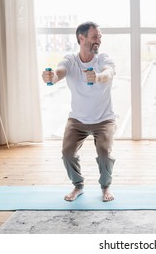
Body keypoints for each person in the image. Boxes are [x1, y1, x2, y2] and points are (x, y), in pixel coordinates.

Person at [42, 21, 116, 201]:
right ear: (81, 38)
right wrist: (52, 77)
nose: (98, 40)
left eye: (99, 37)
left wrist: (98, 77)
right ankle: (78, 185)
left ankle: (105, 187)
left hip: (104, 119)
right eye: (94, 37)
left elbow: (109, 72)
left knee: (104, 153)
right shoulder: (71, 60)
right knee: (67, 153)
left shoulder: (102, 58)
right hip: (77, 120)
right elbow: (60, 71)